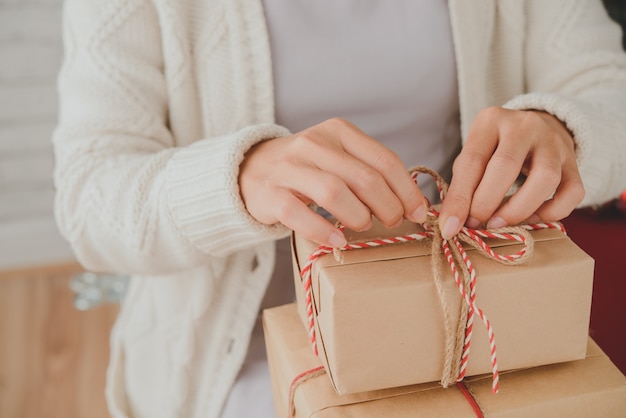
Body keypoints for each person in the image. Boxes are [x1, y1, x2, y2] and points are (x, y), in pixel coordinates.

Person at [52, 0, 626, 417]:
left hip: (464, 318)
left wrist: (564, 131)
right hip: (234, 353)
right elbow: (88, 200)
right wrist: (237, 177)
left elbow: (606, 89)